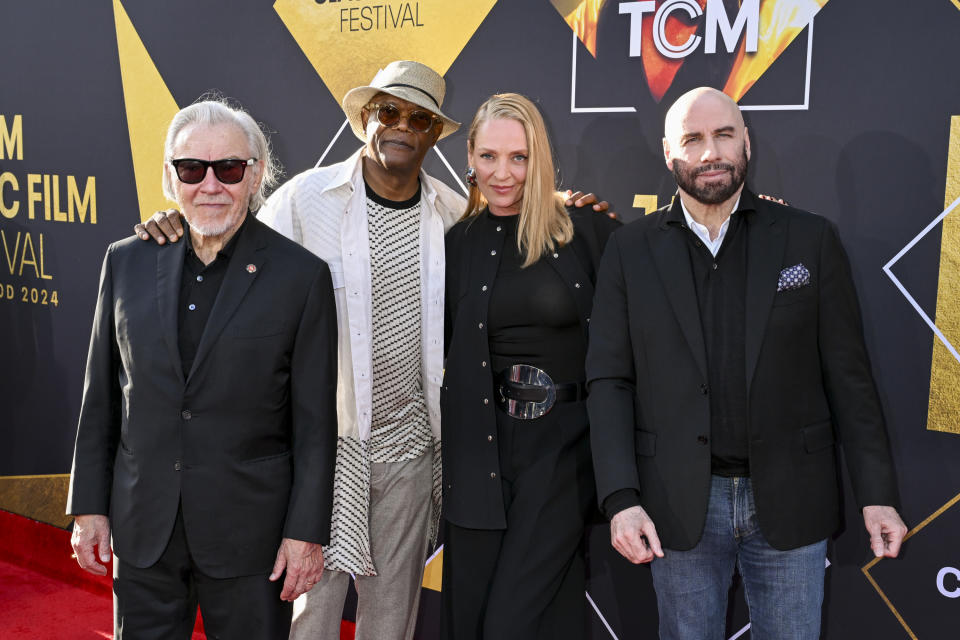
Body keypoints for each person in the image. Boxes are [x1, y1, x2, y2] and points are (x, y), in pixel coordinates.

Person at [135, 62, 609, 640]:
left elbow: (520, 221)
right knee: (311, 617)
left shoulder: (452, 216)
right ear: (365, 118)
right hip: (324, 455)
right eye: (388, 111)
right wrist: (176, 225)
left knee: (391, 620)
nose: (401, 126)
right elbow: (229, 246)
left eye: (418, 117)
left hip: (411, 453)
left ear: (436, 133)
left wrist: (565, 203)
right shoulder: (306, 200)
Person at [586, 86, 908, 639]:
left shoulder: (809, 239)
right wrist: (621, 498)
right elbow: (610, 380)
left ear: (747, 144)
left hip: (790, 498)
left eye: (724, 135)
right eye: (693, 139)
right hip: (678, 507)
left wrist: (877, 494)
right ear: (670, 154)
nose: (710, 151)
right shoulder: (630, 249)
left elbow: (849, 379)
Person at [66, 99, 338, 639]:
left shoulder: (301, 277)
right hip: (145, 529)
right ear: (171, 176)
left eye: (229, 169)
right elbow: (101, 398)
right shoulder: (125, 261)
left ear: (256, 174)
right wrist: (89, 508)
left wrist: (305, 533)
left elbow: (314, 425)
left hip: (250, 538)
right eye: (192, 168)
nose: (209, 185)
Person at [441, 93, 619, 640]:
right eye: (489, 156)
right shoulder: (453, 243)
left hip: (561, 455)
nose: (503, 173)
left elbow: (661, 268)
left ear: (538, 157)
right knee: (477, 620)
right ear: (469, 154)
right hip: (477, 457)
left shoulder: (583, 229)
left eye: (518, 157)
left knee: (509, 624)